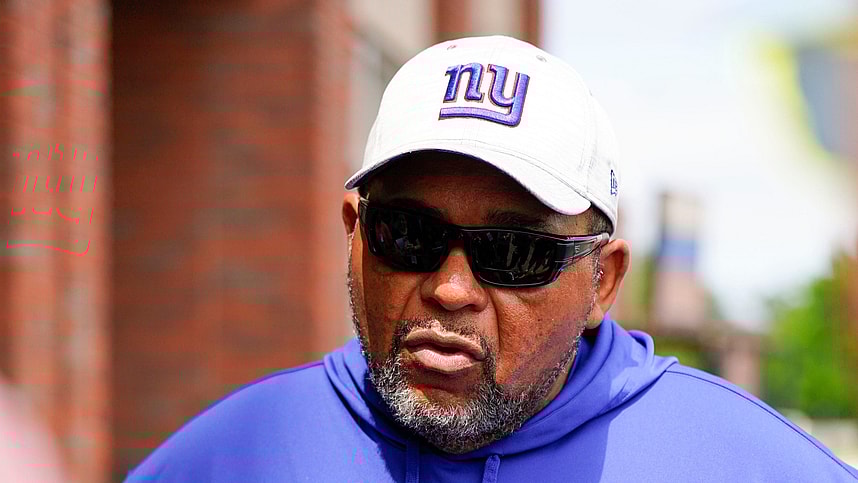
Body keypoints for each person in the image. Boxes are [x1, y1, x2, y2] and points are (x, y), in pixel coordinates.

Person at [126, 35, 858, 482]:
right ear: (353, 231)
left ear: (602, 279)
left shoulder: (746, 466)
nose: (449, 288)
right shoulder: (225, 461)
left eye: (513, 252)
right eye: (408, 234)